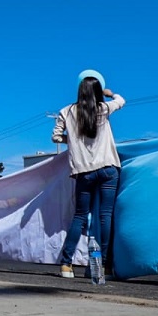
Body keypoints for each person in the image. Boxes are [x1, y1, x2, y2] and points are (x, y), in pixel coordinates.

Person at [51, 74, 125, 279]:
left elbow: (55, 137)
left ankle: (66, 264)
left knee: (80, 216)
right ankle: (105, 266)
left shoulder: (66, 112)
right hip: (109, 168)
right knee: (105, 216)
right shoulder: (103, 108)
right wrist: (109, 93)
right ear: (98, 92)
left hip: (83, 171)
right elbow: (121, 101)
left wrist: (72, 140)